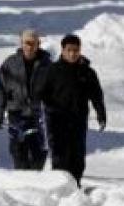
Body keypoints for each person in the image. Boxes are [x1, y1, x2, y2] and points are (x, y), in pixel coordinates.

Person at [38, 34, 106, 186]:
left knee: (77, 157)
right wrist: (48, 107)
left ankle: (76, 186)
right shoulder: (52, 71)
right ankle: (60, 187)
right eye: (69, 50)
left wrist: (101, 115)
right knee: (60, 157)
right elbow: (40, 93)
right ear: (63, 50)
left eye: (76, 50)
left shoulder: (87, 72)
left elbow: (96, 96)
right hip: (56, 121)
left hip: (78, 120)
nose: (72, 54)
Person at [0, 29, 52, 170]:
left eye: (33, 43)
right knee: (18, 154)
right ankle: (21, 178)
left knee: (39, 154)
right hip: (16, 114)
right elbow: (1, 91)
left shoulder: (47, 65)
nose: (30, 47)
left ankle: (35, 178)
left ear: (38, 44)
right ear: (21, 43)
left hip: (38, 116)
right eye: (27, 43)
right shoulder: (10, 64)